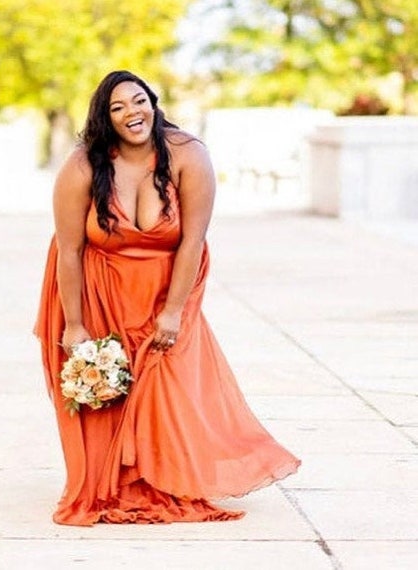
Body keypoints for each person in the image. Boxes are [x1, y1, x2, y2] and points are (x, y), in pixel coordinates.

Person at [34, 70, 300, 526]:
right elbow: (70, 250)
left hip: (166, 290)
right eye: (117, 108)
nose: (131, 113)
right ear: (105, 118)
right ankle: (106, 482)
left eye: (138, 101)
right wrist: (75, 323)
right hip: (98, 293)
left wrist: (174, 311)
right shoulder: (83, 165)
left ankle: (161, 478)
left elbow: (193, 242)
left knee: (167, 388)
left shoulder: (187, 155)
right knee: (107, 394)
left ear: (153, 103)